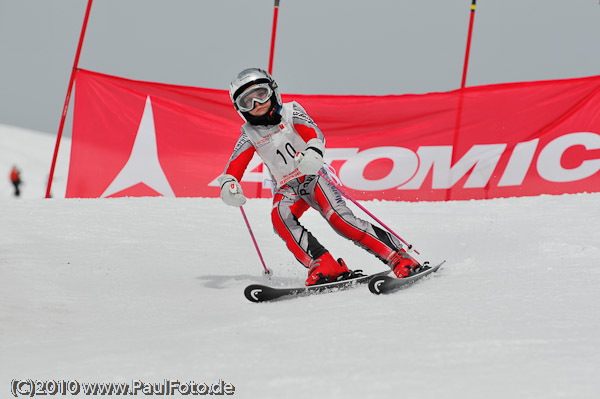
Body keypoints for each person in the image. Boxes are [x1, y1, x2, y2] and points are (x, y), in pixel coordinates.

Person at [218, 68, 423, 286]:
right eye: (247, 102)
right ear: (240, 108)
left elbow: (312, 131)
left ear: (272, 91)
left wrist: (313, 150)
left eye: (261, 94)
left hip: (312, 177)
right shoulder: (249, 133)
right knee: (280, 218)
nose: (257, 104)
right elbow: (236, 162)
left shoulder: (291, 111)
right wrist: (229, 183)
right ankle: (323, 263)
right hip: (287, 188)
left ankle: (397, 256)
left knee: (339, 218)